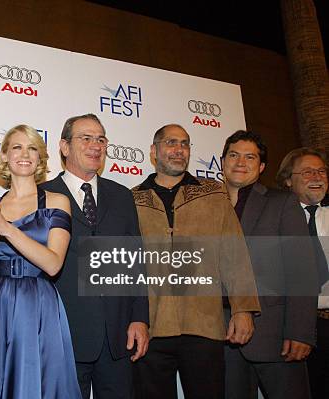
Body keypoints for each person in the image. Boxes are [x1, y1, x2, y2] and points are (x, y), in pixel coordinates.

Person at [0, 124, 80, 399]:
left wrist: (6, 229)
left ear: (40, 158)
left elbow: (54, 263)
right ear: (5, 155)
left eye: (32, 148)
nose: (24, 154)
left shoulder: (58, 201)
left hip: (37, 303)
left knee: (34, 380)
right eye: (17, 147)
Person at [132, 124, 260, 399]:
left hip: (204, 326)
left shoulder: (214, 193)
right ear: (154, 152)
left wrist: (243, 309)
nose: (179, 150)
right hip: (151, 328)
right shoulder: (132, 199)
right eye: (171, 143)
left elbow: (234, 254)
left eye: (185, 144)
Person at [40, 114, 149, 399]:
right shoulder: (42, 196)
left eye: (100, 139)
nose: (95, 145)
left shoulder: (123, 196)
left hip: (117, 339)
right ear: (64, 147)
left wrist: (140, 318)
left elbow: (135, 262)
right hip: (62, 337)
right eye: (86, 138)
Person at [222, 131, 317, 399]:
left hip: (275, 335)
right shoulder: (207, 205)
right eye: (233, 155)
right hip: (221, 337)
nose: (240, 162)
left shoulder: (282, 203)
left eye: (250, 157)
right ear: (222, 161)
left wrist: (301, 332)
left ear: (261, 166)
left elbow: (302, 271)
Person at [277, 147, 329, 399]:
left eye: (321, 171)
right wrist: (296, 329)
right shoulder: (274, 223)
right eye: (307, 172)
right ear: (288, 180)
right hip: (298, 327)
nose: (316, 177)